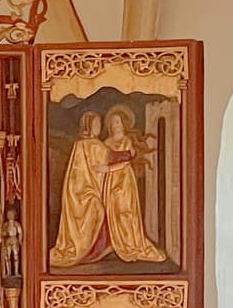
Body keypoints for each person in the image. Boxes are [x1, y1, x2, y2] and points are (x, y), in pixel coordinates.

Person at [99, 108, 165, 264]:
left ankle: (130, 243)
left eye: (117, 121)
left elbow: (126, 161)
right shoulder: (106, 143)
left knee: (126, 210)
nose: (114, 124)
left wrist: (109, 169)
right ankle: (118, 242)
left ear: (123, 123)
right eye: (112, 122)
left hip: (124, 179)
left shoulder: (127, 140)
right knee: (113, 211)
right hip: (111, 180)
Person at [49, 111, 111, 269]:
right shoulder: (81, 145)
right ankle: (83, 249)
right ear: (88, 126)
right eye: (96, 124)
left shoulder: (99, 145)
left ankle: (96, 250)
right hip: (80, 191)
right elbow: (77, 172)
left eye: (99, 124)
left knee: (101, 207)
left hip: (92, 189)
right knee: (96, 207)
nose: (99, 127)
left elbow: (104, 165)